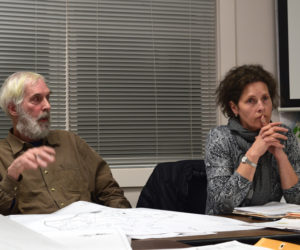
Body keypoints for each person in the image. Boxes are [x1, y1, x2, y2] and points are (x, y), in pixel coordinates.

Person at [0, 71, 131, 215]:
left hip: (88, 230)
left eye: (48, 98)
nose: (47, 106)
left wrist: (123, 220)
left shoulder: (70, 142)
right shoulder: (2, 155)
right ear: (13, 109)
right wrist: (12, 176)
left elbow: (110, 191)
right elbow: (3, 213)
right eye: (36, 99)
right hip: (34, 235)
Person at [205, 64, 300, 215]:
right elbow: (221, 205)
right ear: (234, 107)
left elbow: (297, 202)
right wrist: (254, 152)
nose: (261, 107)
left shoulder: (284, 136)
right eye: (251, 101)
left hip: (272, 226)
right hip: (228, 227)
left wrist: (281, 156)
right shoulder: (220, 138)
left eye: (265, 99)